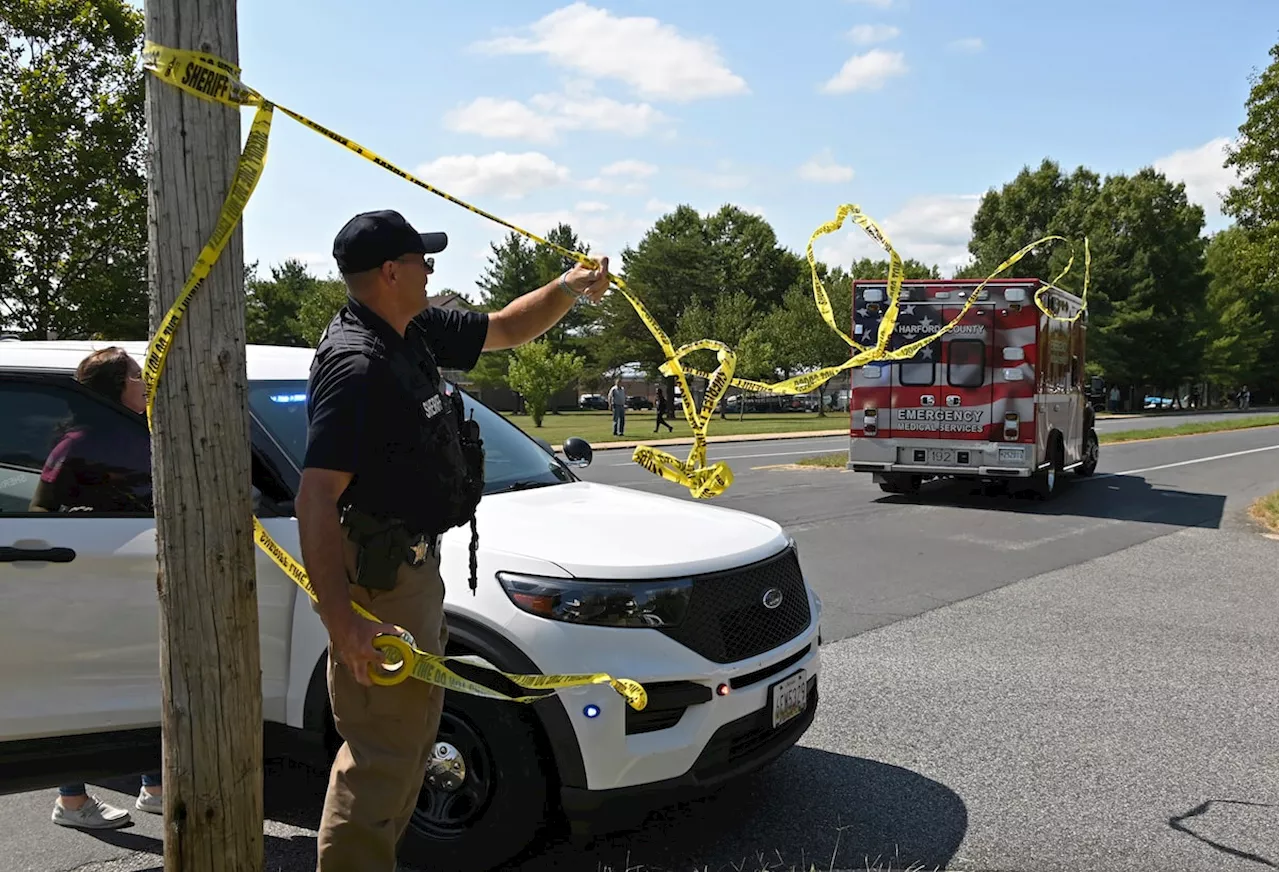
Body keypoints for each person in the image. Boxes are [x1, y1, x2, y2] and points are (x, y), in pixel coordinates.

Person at [296, 209, 609, 871]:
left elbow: (503, 328)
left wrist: (570, 285)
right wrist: (342, 620)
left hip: (411, 568)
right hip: (377, 582)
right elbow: (315, 496)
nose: (432, 271)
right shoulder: (359, 365)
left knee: (410, 741)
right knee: (381, 757)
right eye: (421, 261)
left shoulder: (411, 327)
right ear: (389, 273)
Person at [29, 347, 162, 829]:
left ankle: (157, 787)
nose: (145, 383)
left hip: (137, 577)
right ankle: (71, 801)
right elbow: (41, 514)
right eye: (135, 376)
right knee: (86, 687)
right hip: (88, 582)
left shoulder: (141, 432)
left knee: (151, 679)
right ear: (115, 387)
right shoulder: (76, 444)